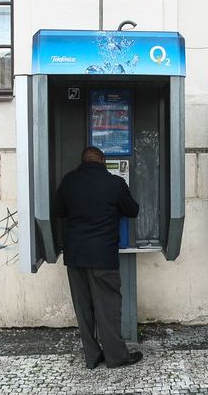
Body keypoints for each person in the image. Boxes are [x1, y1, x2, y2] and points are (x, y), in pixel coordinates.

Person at [55, 146, 142, 369]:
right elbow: (133, 210)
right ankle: (116, 357)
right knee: (108, 307)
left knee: (83, 309)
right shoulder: (114, 183)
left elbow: (59, 211)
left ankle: (92, 357)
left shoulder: (69, 181)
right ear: (102, 160)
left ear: (82, 160)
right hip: (103, 256)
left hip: (75, 257)